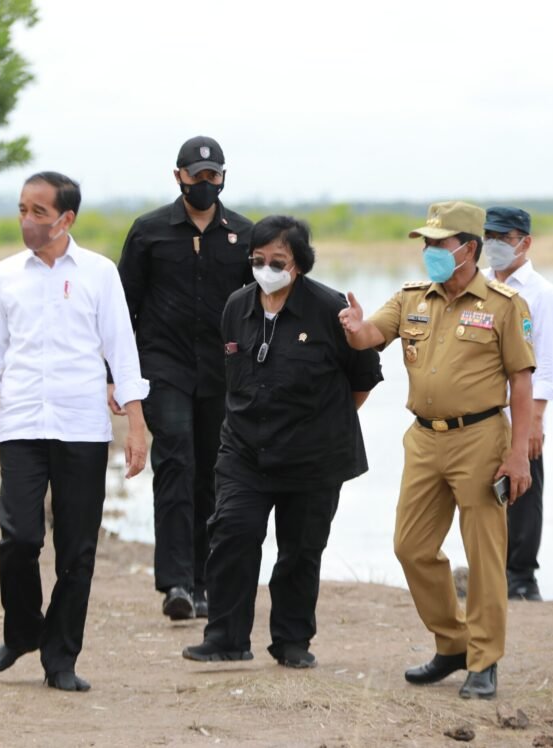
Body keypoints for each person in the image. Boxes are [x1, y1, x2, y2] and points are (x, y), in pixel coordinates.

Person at [0, 171, 148, 692]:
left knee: (77, 550)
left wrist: (136, 426)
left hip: (82, 427)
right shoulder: (4, 276)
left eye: (39, 212)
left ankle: (60, 659)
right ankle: (21, 633)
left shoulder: (99, 273)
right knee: (18, 538)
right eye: (22, 209)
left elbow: (122, 353)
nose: (28, 220)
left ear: (66, 219)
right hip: (21, 424)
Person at [339, 201, 535, 700]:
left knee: (484, 555)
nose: (430, 252)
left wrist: (518, 454)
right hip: (424, 439)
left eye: (439, 243)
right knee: (411, 546)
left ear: (468, 248)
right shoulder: (411, 298)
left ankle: (484, 660)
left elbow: (521, 381)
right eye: (425, 243)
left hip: (481, 439)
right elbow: (370, 336)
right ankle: (452, 643)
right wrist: (354, 327)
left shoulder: (504, 304)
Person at [181, 216, 381, 668]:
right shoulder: (237, 306)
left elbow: (363, 380)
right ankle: (226, 638)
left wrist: (320, 423)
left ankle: (292, 641)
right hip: (244, 450)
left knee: (300, 550)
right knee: (232, 531)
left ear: (299, 264)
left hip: (314, 456)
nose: (266, 269)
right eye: (258, 260)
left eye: (277, 261)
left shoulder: (330, 310)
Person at [117, 136, 253, 620]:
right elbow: (123, 309)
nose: (205, 183)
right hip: (163, 366)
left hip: (221, 372)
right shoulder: (149, 231)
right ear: (179, 176)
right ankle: (175, 583)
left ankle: (204, 582)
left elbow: (259, 307)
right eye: (197, 176)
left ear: (223, 177)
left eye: (213, 175)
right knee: (175, 460)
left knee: (212, 473)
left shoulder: (243, 234)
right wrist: (116, 376)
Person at [482, 207, 553, 601]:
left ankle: (521, 576)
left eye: (504, 238)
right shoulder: (478, 285)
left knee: (523, 489)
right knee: (484, 491)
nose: (495, 245)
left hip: (522, 410)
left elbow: (548, 362)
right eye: (490, 238)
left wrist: (535, 419)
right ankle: (491, 570)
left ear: (525, 243)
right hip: (482, 411)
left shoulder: (541, 293)